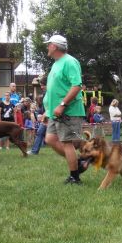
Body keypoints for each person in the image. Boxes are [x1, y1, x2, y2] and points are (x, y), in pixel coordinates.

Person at [43, 34, 86, 184]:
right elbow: (52, 90)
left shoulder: (69, 62)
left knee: (67, 142)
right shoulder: (56, 64)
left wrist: (62, 105)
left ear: (54, 46)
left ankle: (75, 176)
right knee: (50, 139)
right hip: (54, 112)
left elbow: (76, 86)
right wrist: (47, 110)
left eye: (48, 45)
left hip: (68, 110)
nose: (47, 47)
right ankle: (79, 162)